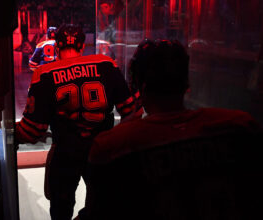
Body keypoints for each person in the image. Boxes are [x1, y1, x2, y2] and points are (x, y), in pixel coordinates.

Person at [77, 39, 263, 219]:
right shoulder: (239, 126)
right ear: (186, 83)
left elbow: (99, 212)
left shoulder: (112, 147)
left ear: (141, 86)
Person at [15, 24, 136, 220]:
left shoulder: (44, 74)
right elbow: (132, 112)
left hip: (65, 153)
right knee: (103, 205)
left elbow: (32, 130)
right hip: (102, 151)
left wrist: (11, 135)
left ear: (56, 47)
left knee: (61, 209)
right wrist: (111, 140)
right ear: (82, 46)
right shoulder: (106, 64)